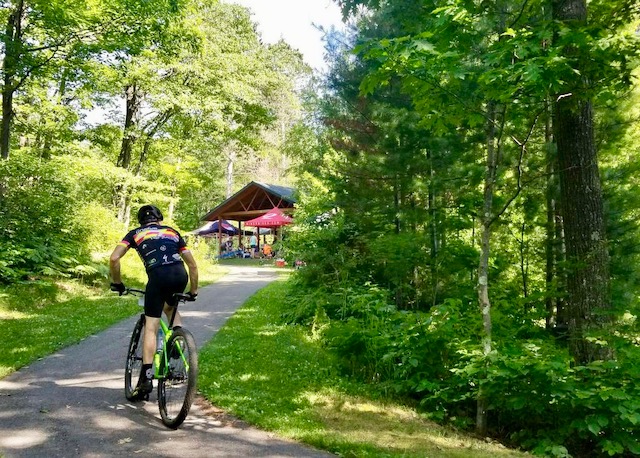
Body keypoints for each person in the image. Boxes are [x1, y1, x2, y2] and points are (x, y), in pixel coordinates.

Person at [109, 204, 199, 400]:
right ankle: (177, 341)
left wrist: (117, 283)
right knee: (170, 307)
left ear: (141, 220)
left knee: (151, 326)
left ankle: (147, 376)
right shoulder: (172, 232)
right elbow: (192, 265)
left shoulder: (134, 234)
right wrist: (193, 291)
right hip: (179, 275)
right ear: (159, 219)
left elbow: (114, 258)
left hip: (157, 277)